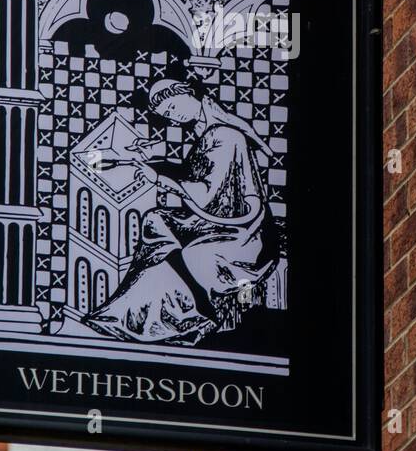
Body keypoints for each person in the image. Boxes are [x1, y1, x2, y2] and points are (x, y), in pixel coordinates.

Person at [84, 80, 276, 344]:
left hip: (242, 234)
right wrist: (149, 163)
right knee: (156, 220)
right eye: (168, 115)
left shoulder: (224, 135)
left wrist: (161, 178)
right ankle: (126, 316)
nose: (174, 118)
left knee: (183, 258)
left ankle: (182, 320)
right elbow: (198, 178)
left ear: (188, 92)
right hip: (213, 224)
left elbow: (208, 193)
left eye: (173, 107)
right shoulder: (207, 133)